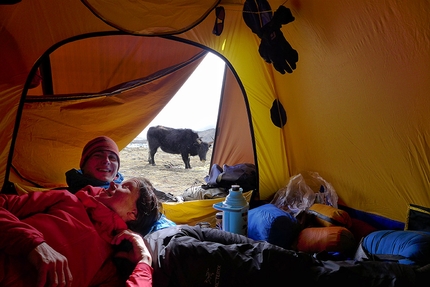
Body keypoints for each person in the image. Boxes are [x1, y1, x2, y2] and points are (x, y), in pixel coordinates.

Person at [0, 177, 157, 287]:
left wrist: (144, 261)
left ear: (133, 214)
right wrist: (33, 243)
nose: (112, 184)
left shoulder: (108, 267)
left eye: (124, 187)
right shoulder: (67, 200)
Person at [65, 136, 176, 233]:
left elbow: (154, 221)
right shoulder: (67, 196)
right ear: (83, 164)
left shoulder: (131, 193)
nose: (106, 161)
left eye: (112, 158)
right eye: (98, 155)